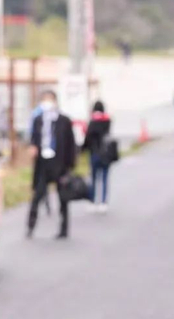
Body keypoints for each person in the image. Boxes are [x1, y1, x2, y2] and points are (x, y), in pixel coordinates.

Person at [27, 89, 76, 239]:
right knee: (38, 195)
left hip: (60, 164)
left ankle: (64, 229)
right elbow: (33, 140)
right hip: (43, 163)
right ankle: (30, 226)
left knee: (63, 198)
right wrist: (33, 148)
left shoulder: (64, 121)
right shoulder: (38, 120)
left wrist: (70, 165)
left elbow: (70, 144)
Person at [83, 100, 112, 211]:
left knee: (94, 178)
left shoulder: (93, 121)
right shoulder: (108, 120)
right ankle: (104, 202)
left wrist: (83, 149)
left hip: (94, 153)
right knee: (104, 178)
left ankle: (93, 200)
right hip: (106, 153)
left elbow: (88, 138)